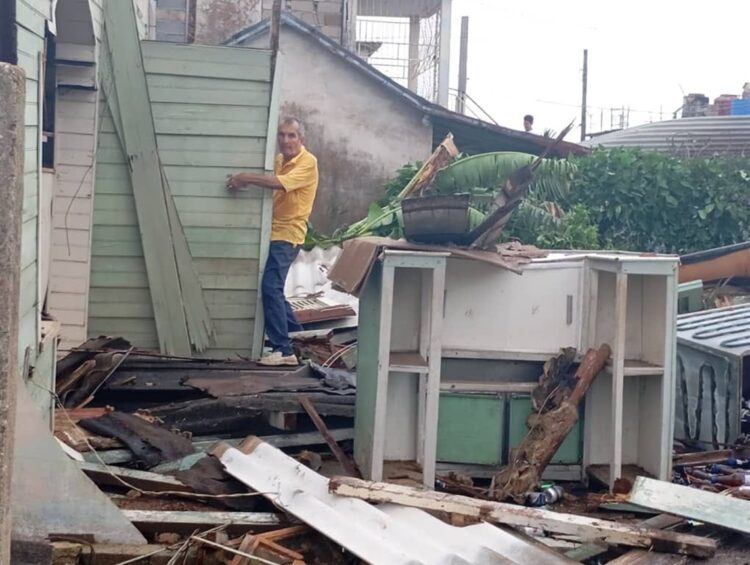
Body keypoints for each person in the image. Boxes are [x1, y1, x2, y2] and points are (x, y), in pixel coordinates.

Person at [226, 117, 319, 366]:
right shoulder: (279, 160)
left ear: (302, 140)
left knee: (270, 288)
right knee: (275, 290)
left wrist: (245, 177)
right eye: (282, 135)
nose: (286, 140)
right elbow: (271, 186)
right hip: (273, 231)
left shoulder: (308, 162)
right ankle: (301, 342)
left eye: (292, 136)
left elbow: (278, 183)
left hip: (288, 234)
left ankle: (284, 351)